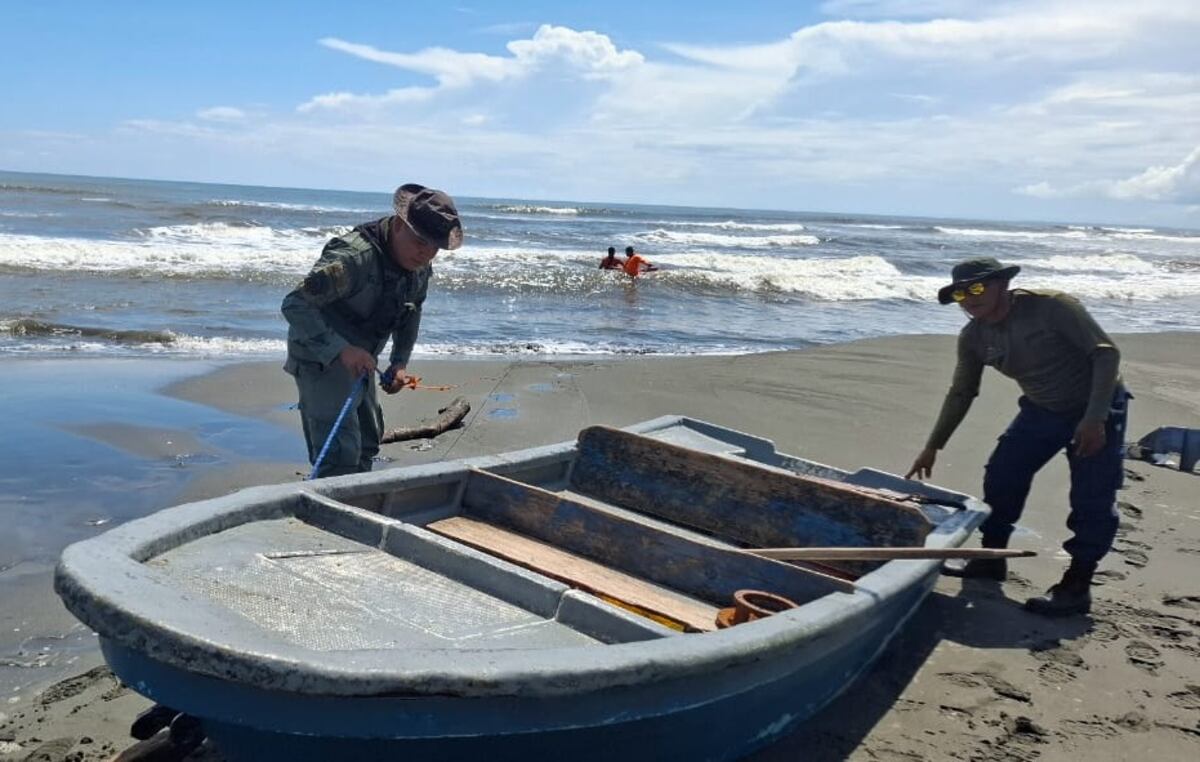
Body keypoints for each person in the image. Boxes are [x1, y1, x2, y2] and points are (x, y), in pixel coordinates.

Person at [904, 257, 1129, 616]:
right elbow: (962, 392)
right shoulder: (974, 337)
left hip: (1097, 405)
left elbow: (1105, 354)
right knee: (1002, 473)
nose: (968, 298)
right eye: (960, 292)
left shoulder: (1052, 308)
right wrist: (933, 446)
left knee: (1092, 496)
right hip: (1042, 410)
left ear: (1002, 285)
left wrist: (1095, 418)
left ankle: (1077, 585)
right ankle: (991, 558)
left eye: (977, 288)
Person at [281, 183, 463, 478]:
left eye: (435, 246)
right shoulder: (353, 258)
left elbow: (411, 310)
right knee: (341, 452)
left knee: (368, 439)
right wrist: (342, 349)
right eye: (420, 241)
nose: (426, 253)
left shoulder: (418, 264)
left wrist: (400, 362)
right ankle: (334, 508)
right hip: (321, 354)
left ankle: (358, 498)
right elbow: (295, 305)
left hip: (363, 357)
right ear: (400, 225)